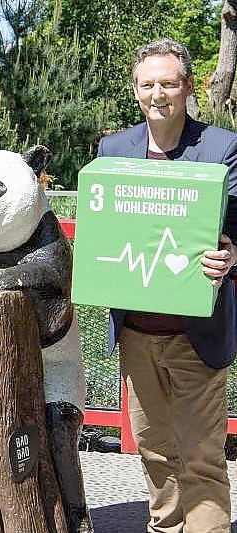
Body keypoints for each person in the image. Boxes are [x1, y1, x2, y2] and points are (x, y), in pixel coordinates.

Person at [98, 38, 237, 532]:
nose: (158, 93)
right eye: (148, 84)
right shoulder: (111, 150)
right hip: (136, 333)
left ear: (188, 87)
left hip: (196, 333)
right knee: (155, 451)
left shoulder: (222, 147)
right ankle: (164, 526)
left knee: (201, 456)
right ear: (136, 90)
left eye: (168, 83)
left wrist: (231, 254)